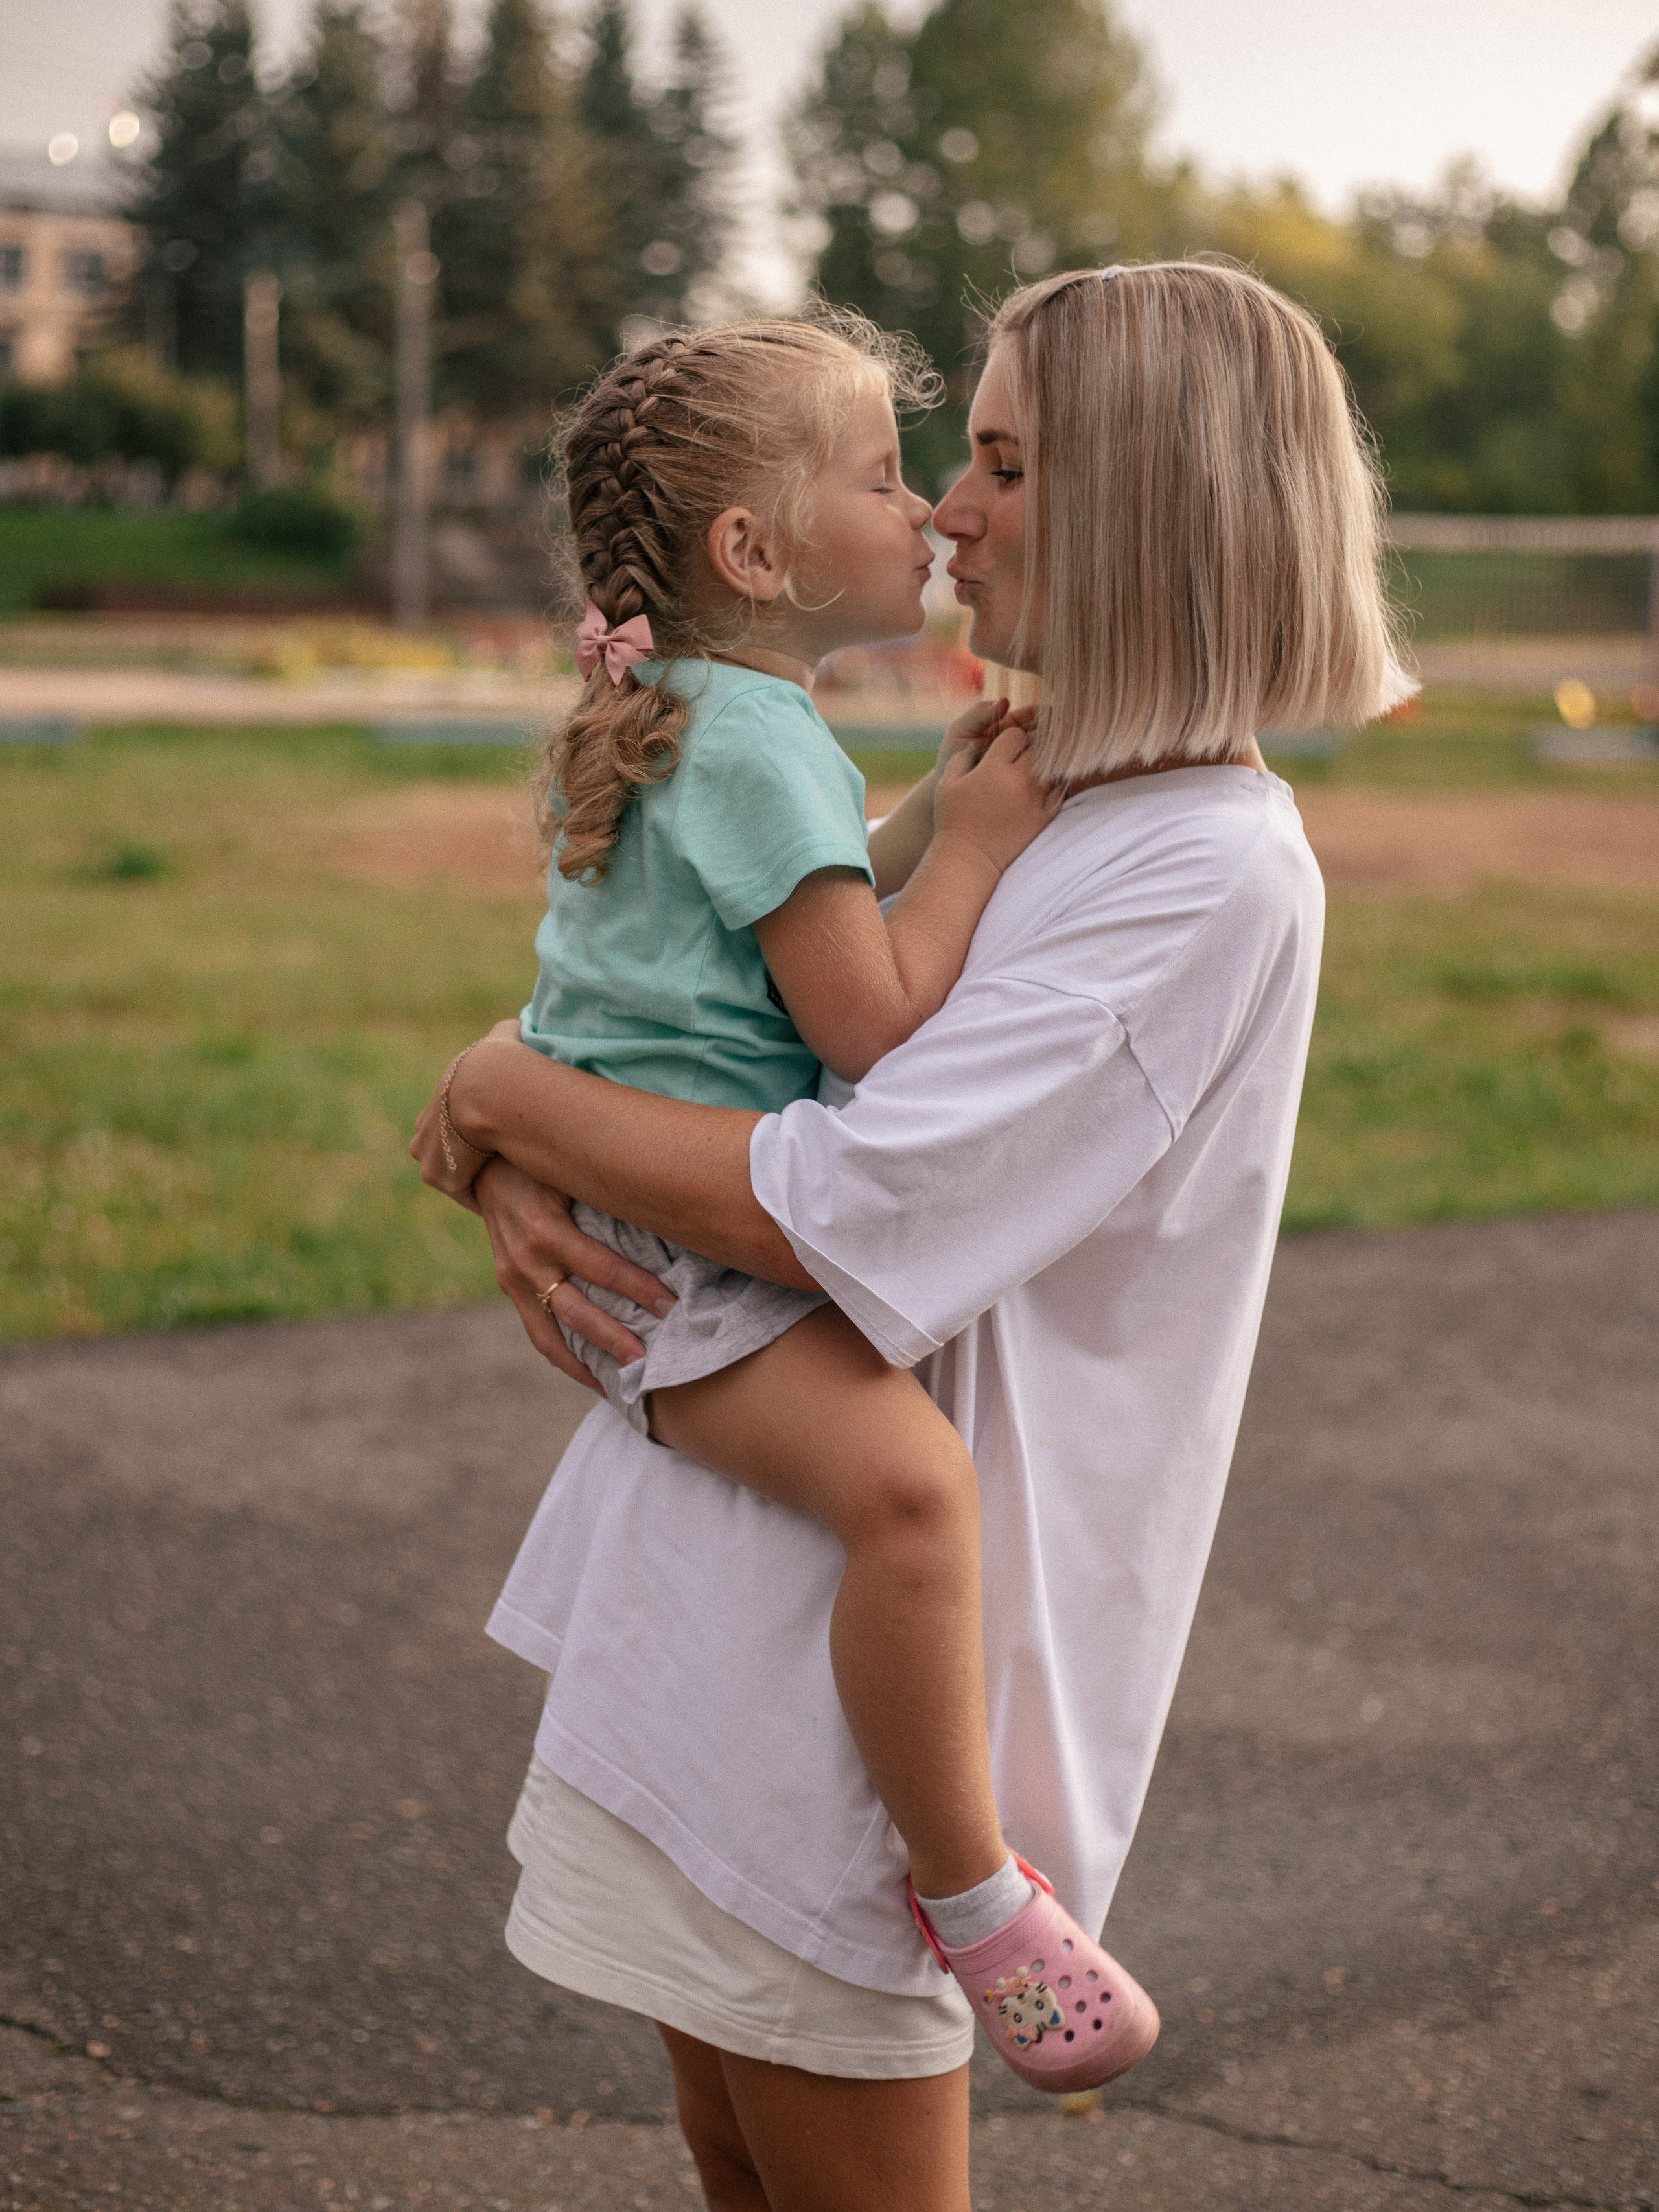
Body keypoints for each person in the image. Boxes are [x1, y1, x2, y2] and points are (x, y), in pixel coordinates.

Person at [413, 260, 1411, 2212]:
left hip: (845, 1729)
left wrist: (504, 1097)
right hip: (723, 1607)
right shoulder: (1028, 782)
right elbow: (714, 1010)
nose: (950, 508)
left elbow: (843, 1205)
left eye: (1007, 466)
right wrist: (511, 1111)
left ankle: (977, 1893)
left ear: (1156, 509)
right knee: (735, 2163)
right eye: (949, 460)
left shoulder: (1202, 868)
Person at [434, 314, 1153, 2086]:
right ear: (754, 552)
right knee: (913, 1495)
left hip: (638, 1226)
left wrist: (917, 822)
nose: (926, 512)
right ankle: (978, 1902)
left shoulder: (706, 711)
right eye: (882, 477)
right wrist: (974, 850)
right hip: (691, 1257)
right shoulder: (760, 740)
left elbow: (787, 911)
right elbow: (868, 1020)